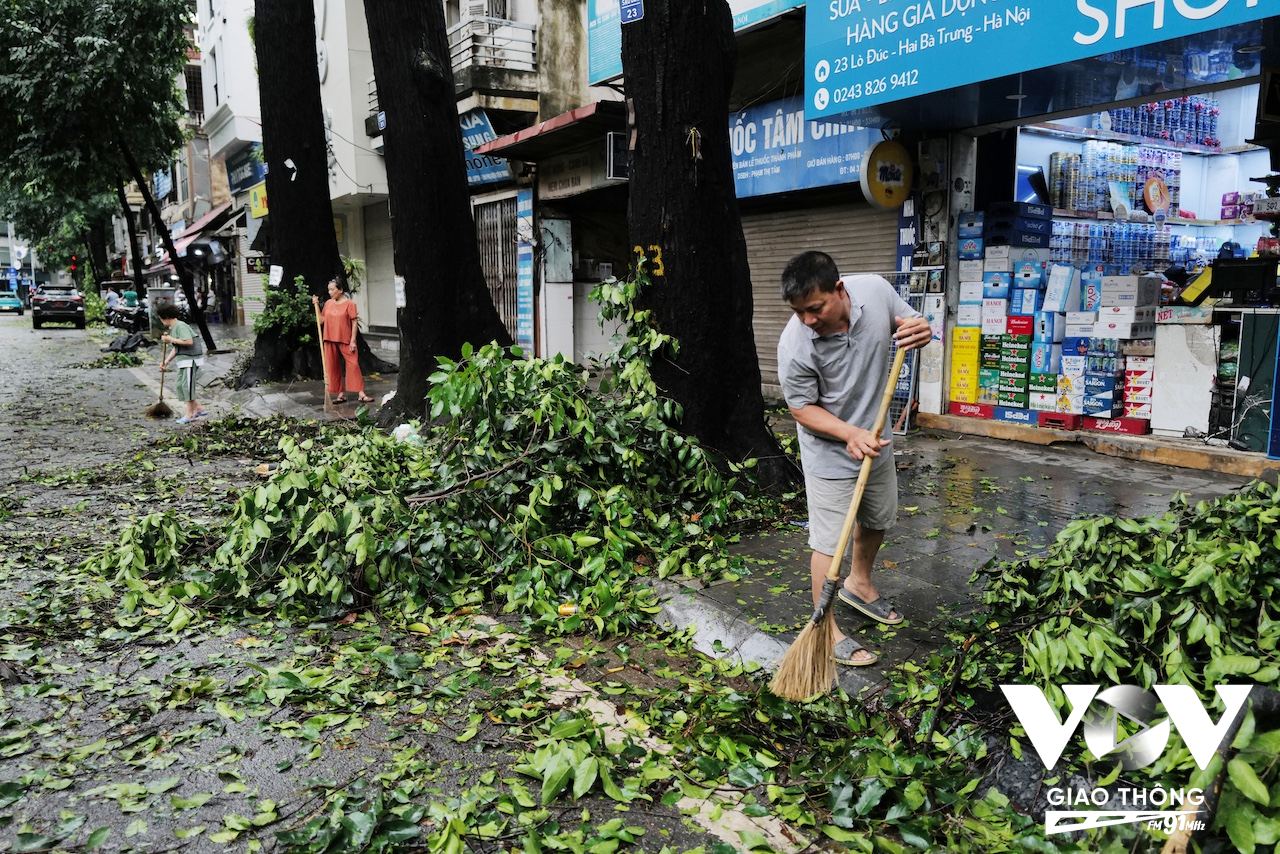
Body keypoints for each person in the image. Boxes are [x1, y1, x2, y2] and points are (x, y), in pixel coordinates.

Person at [776, 251, 932, 667]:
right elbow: (800, 408)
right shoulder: (795, 344)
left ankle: (859, 584)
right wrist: (848, 434)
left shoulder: (876, 291)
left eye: (815, 308)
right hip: (829, 446)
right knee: (829, 541)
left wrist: (922, 329)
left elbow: (911, 321)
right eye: (798, 312)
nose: (808, 320)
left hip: (875, 436)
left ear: (839, 290)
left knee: (878, 517)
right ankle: (824, 626)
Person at [312, 277, 374, 405]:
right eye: (329, 290)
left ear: (340, 290)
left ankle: (361, 393)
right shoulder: (328, 303)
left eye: (332, 289)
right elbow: (321, 320)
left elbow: (354, 322)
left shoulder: (350, 304)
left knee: (353, 364)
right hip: (329, 338)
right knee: (332, 366)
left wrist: (353, 341)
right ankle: (340, 394)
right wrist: (316, 305)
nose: (330, 292)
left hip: (345, 339)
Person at [158, 302, 208, 424]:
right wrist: (166, 361)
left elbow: (189, 341)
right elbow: (177, 347)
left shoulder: (181, 326)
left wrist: (170, 339)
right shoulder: (174, 328)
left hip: (190, 360)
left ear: (164, 317)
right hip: (183, 361)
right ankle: (199, 408)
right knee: (181, 385)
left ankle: (190, 414)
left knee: (187, 386)